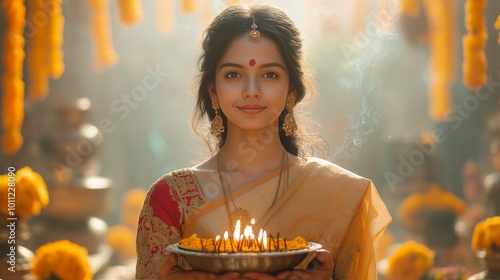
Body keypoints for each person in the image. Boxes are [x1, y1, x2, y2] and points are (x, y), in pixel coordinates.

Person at [136, 3, 392, 279]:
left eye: (269, 75)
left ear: (291, 88)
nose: (252, 91)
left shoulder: (342, 194)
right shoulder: (170, 197)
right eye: (233, 74)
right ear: (213, 89)